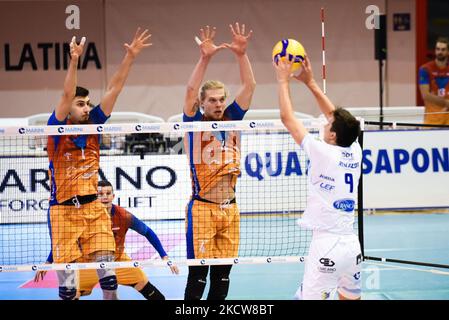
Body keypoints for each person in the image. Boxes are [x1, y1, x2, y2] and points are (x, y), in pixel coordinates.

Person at [46, 28, 151, 300]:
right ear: (68, 108)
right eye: (80, 104)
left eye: (87, 104)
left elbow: (114, 88)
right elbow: (66, 93)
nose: (85, 108)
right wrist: (74, 60)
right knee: (68, 291)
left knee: (109, 278)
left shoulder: (94, 126)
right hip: (63, 214)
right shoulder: (56, 130)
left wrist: (130, 57)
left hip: (94, 209)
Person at [273, 55, 362, 300]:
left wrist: (283, 81)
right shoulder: (355, 149)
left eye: (328, 124)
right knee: (351, 298)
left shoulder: (322, 152)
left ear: (333, 135)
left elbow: (287, 119)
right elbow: (339, 118)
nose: (325, 122)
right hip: (351, 245)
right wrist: (310, 83)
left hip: (327, 247)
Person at [182, 23, 256, 300]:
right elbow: (190, 90)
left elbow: (250, 85)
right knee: (198, 277)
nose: (219, 104)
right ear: (202, 104)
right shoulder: (193, 124)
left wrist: (241, 54)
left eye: (221, 99)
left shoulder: (233, 118)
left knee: (223, 278)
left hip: (231, 210)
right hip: (202, 209)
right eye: (212, 100)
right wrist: (205, 58)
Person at [35, 180, 179, 300]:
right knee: (71, 294)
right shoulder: (82, 216)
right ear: (93, 197)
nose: (104, 197)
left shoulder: (123, 216)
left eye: (108, 194)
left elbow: (148, 232)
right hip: (87, 263)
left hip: (118, 261)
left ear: (113, 196)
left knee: (144, 284)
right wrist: (48, 261)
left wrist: (164, 255)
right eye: (100, 194)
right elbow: (65, 242)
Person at [418, 36, 449, 125]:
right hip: (432, 120)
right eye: (438, 49)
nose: (440, 52)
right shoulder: (425, 69)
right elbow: (425, 95)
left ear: (448, 52)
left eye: (443, 50)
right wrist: (446, 103)